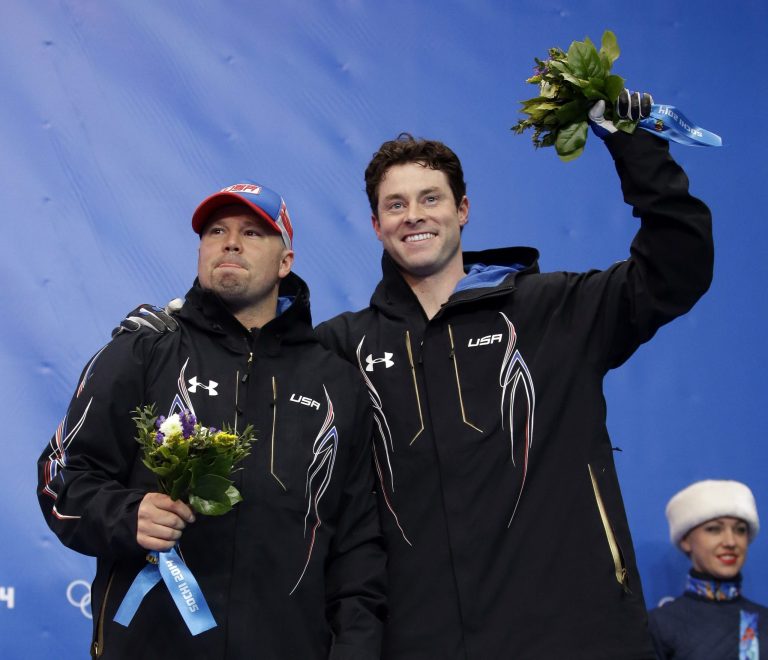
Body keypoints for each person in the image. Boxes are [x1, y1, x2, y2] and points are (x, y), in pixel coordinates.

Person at [117, 95, 714, 658]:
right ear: (375, 225)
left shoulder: (556, 311)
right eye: (395, 205)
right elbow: (251, 360)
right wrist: (176, 327)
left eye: (430, 199)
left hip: (573, 632)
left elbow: (676, 269)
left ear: (462, 210)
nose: (414, 217)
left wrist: (638, 147)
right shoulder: (342, 348)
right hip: (417, 642)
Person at [37, 183, 387, 659]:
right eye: (215, 230)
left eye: (253, 232)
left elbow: (358, 548)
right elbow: (61, 477)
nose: (230, 242)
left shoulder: (336, 384)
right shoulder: (145, 349)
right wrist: (127, 514)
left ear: (286, 262)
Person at [648, 480, 766, 658]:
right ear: (685, 540)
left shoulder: (762, 619)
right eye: (714, 529)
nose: (730, 542)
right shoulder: (660, 624)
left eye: (740, 530)